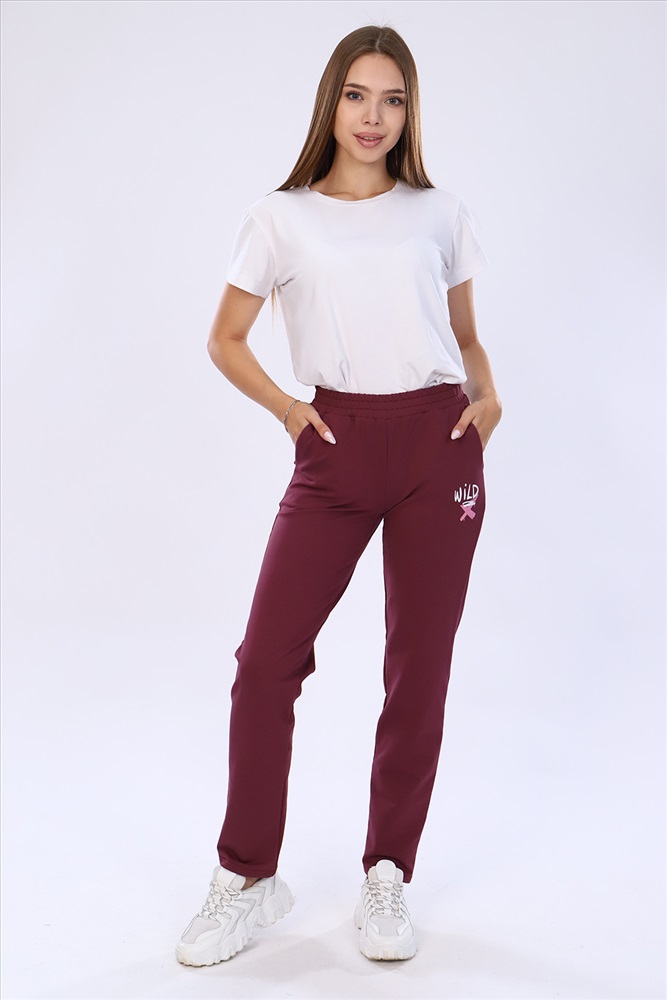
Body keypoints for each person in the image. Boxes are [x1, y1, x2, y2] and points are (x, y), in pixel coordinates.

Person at [175, 22, 502, 967]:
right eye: (357, 95)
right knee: (264, 664)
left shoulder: (438, 212)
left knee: (418, 665)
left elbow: (465, 337)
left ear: (409, 112)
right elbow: (225, 338)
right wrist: (288, 410)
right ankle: (247, 876)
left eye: (392, 99)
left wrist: (487, 398)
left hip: (439, 445)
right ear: (331, 101)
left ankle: (387, 872)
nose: (373, 116)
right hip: (333, 443)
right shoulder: (279, 218)